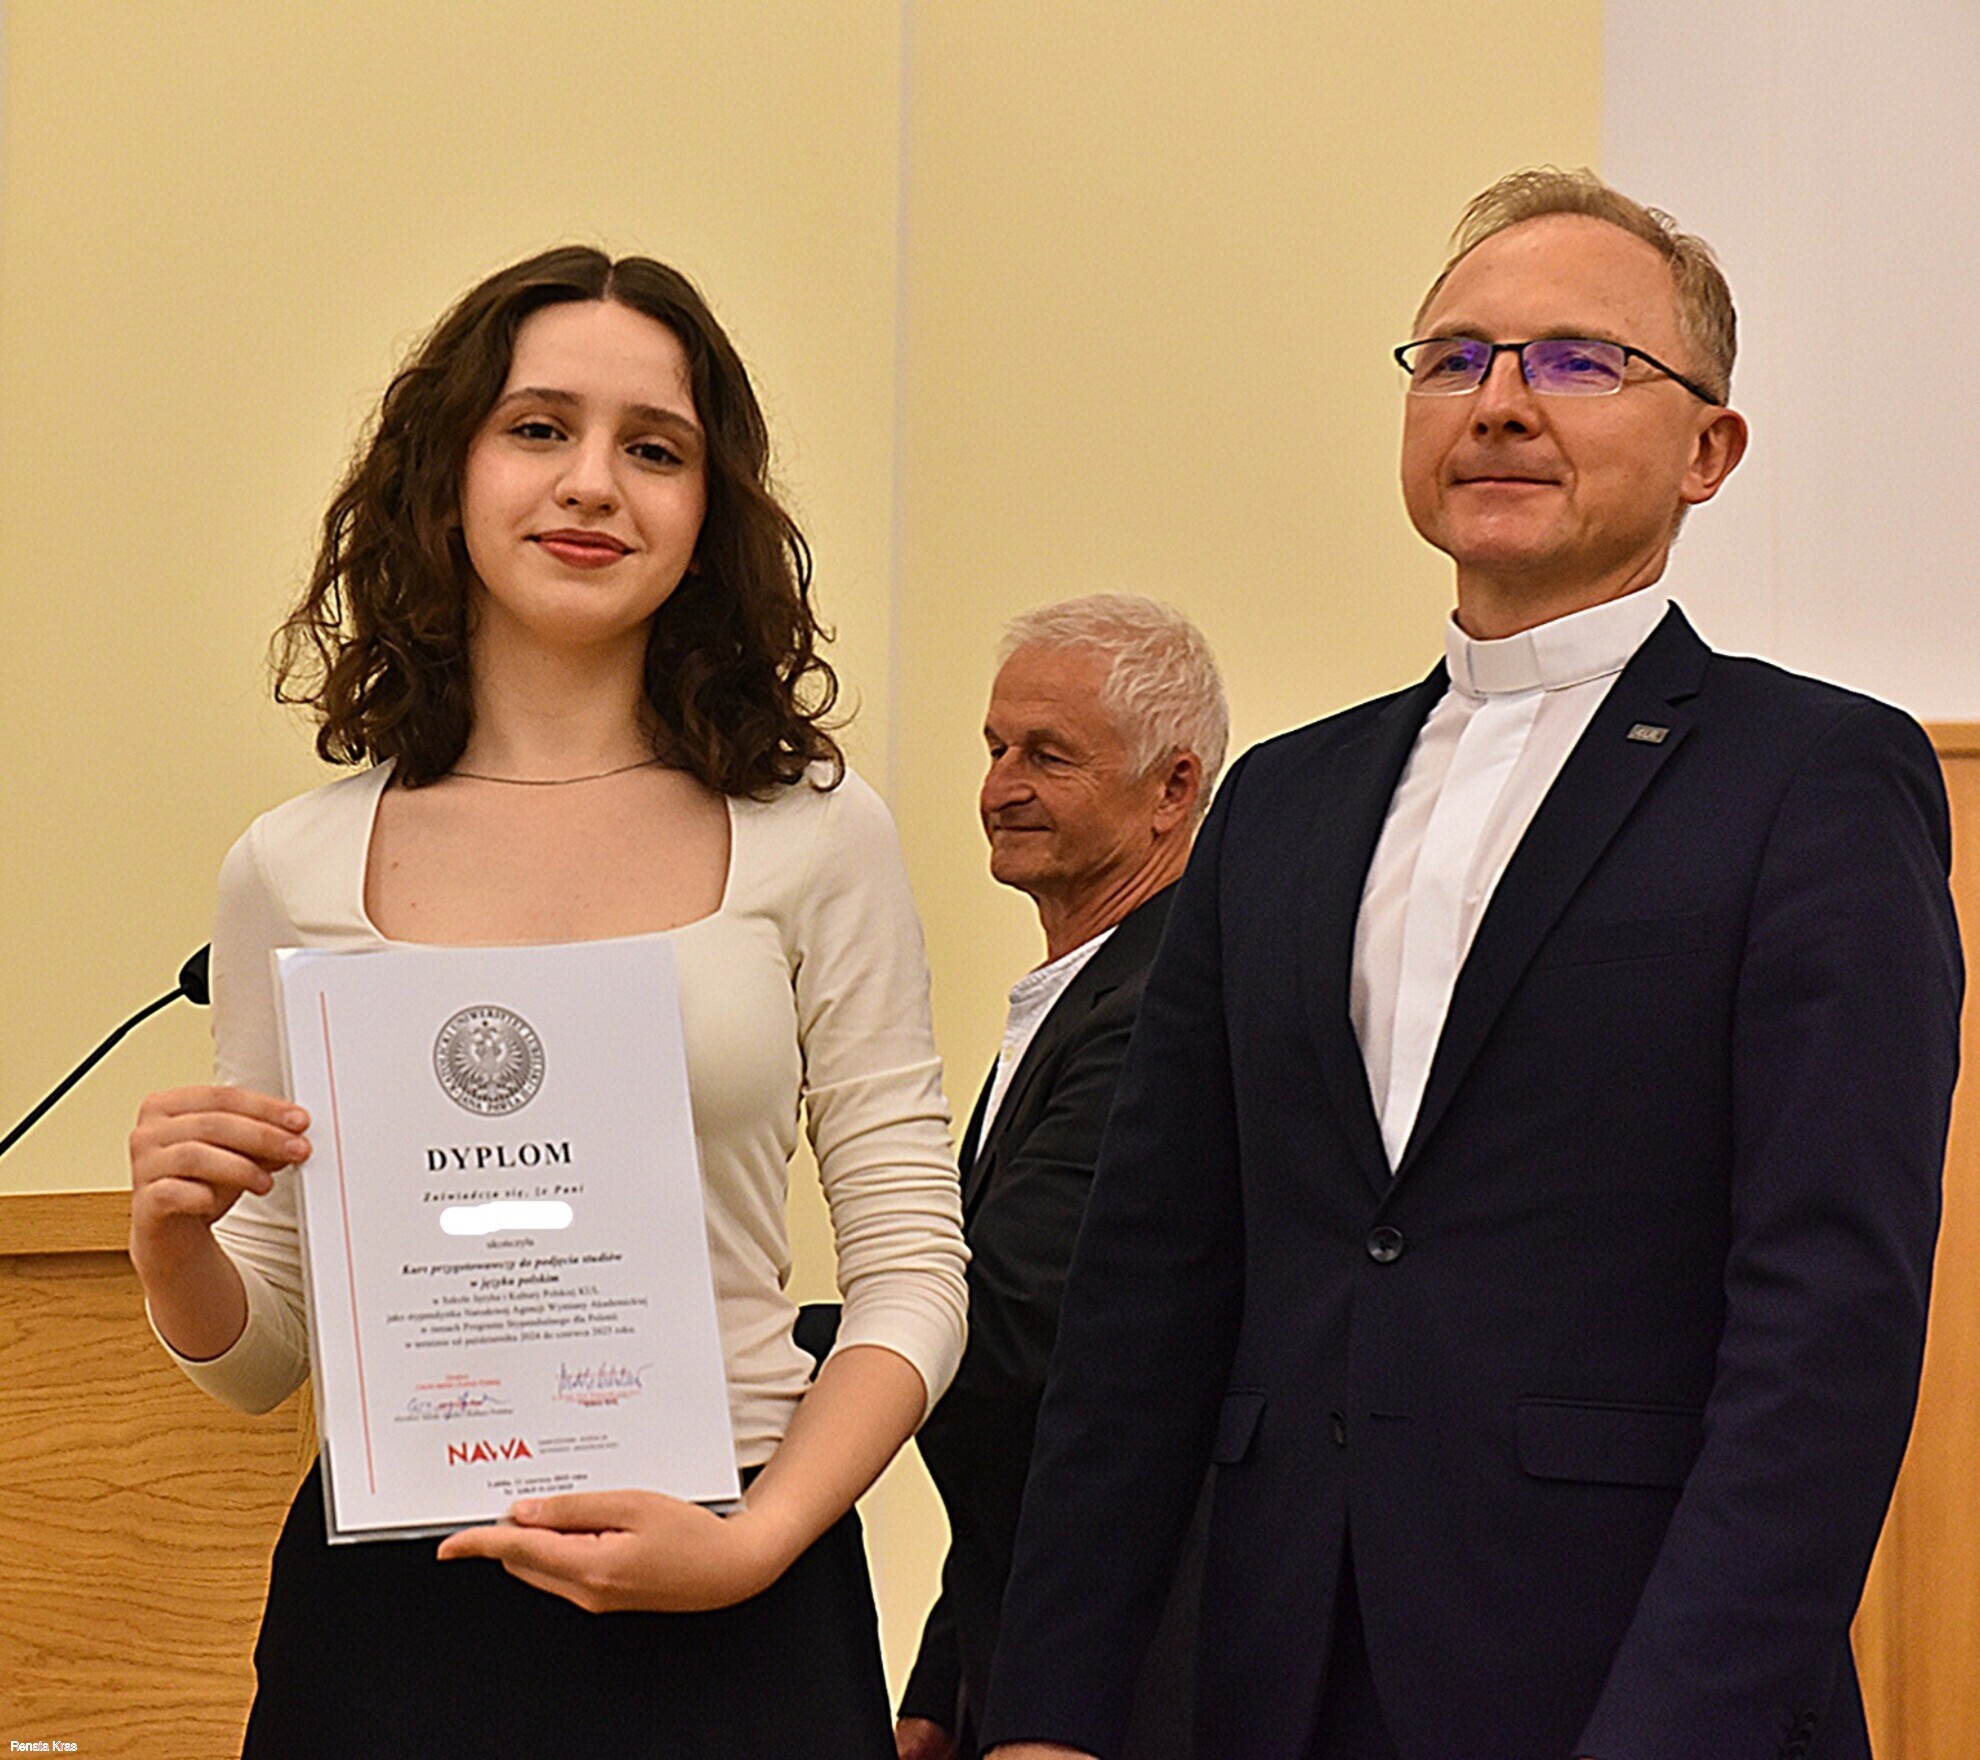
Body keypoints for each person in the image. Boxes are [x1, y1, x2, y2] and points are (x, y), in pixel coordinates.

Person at [980, 169, 1962, 1760]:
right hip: (1269, 1678)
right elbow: (1147, 1287)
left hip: (1627, 1680)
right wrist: (1051, 1707)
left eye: (1580, 360)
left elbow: (1827, 1319)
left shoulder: (1813, 779)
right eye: (1454, 359)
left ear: (1709, 449)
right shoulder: (1282, 802)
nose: (1500, 401)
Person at [126, 246, 968, 1759]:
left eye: (656, 449)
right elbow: (262, 1359)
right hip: (395, 1624)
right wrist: (175, 1246)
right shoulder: (292, 867)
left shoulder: (815, 832)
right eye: (537, 428)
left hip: (739, 1595)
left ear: (708, 515)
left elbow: (913, 1269)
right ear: (445, 474)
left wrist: (760, 1539)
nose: (593, 482)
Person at [895, 596, 1226, 1760]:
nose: (1000, 786)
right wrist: (944, 1673)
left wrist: (735, 1351)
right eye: (994, 747)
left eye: (1048, 754)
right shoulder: (1088, 987)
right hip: (1023, 1648)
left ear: (1173, 788)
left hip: (1117, 1683)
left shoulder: (1159, 1009)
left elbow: (1019, 1333)